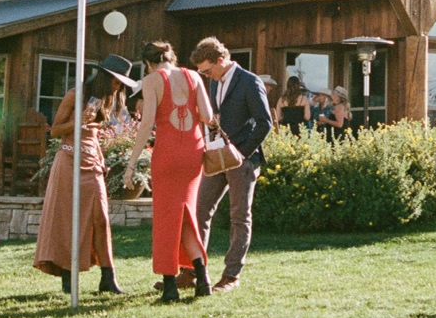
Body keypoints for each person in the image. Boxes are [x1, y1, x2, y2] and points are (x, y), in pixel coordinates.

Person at [34, 55, 138, 295]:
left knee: (100, 218)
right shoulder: (75, 95)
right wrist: (79, 121)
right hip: (69, 159)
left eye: (122, 83)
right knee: (68, 219)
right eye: (116, 81)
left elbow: (96, 133)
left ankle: (108, 278)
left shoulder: (107, 99)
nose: (119, 86)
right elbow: (55, 131)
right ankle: (67, 276)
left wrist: (102, 157)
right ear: (104, 77)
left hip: (92, 162)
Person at [126, 41, 215, 302]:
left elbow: (146, 125)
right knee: (187, 215)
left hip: (168, 153)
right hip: (192, 152)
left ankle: (170, 286)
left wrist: (131, 164)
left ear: (148, 63)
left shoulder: (152, 79)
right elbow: (208, 116)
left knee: (166, 219)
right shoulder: (193, 76)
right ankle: (203, 278)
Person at [192, 37, 270, 293]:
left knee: (239, 218)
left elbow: (264, 123)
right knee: (200, 212)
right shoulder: (214, 83)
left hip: (242, 160)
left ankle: (231, 276)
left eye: (207, 69)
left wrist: (241, 153)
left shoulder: (250, 81)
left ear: (221, 60)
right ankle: (194, 271)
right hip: (217, 157)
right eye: (202, 72)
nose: (205, 75)